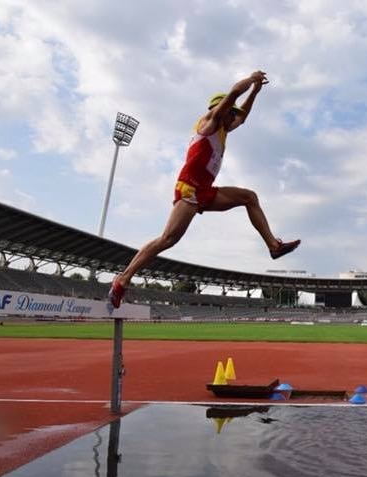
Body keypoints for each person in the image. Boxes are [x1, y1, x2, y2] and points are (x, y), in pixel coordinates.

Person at [108, 71, 300, 308]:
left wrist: (256, 92)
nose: (235, 119)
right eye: (232, 113)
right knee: (168, 239)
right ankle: (123, 279)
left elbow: (245, 116)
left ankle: (273, 246)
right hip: (189, 188)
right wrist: (251, 79)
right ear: (221, 110)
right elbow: (232, 94)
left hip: (206, 191)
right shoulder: (209, 124)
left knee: (250, 197)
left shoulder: (223, 130)